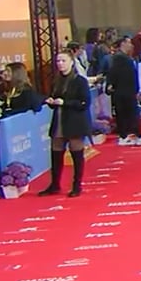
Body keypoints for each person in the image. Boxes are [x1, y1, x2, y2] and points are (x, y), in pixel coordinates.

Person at [40, 51, 93, 197]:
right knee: (56, 154)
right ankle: (55, 184)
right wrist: (51, 101)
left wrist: (65, 103)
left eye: (63, 61)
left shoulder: (79, 81)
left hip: (75, 122)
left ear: (71, 62)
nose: (60, 64)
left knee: (76, 155)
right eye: (58, 61)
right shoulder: (56, 80)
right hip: (59, 121)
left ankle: (77, 185)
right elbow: (54, 98)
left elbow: (84, 102)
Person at [107, 38, 141, 146]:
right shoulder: (120, 58)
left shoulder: (124, 58)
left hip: (126, 90)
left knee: (127, 114)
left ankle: (126, 136)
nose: (131, 45)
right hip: (124, 91)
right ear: (123, 44)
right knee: (130, 114)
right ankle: (136, 135)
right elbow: (113, 74)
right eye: (129, 43)